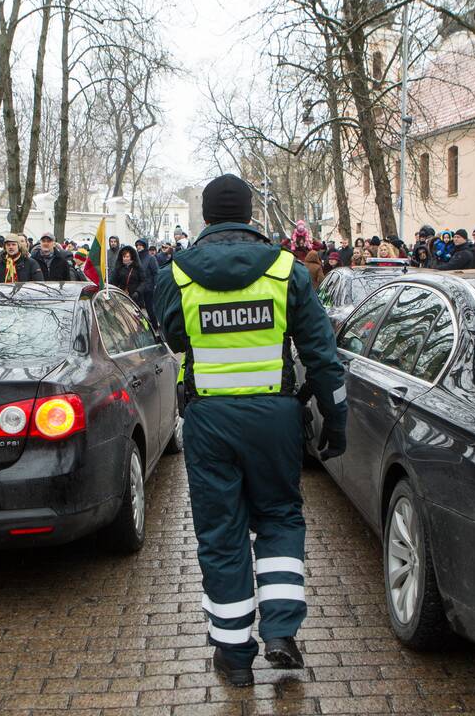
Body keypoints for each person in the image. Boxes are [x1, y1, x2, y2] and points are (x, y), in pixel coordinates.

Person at [153, 175, 346, 686]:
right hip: (275, 417)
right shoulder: (287, 271)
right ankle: (281, 631)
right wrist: (337, 418)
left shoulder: (175, 272)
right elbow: (321, 354)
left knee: (221, 533)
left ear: (208, 217)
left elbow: (173, 332)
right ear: (250, 212)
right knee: (280, 517)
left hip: (210, 419)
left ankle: (234, 657)